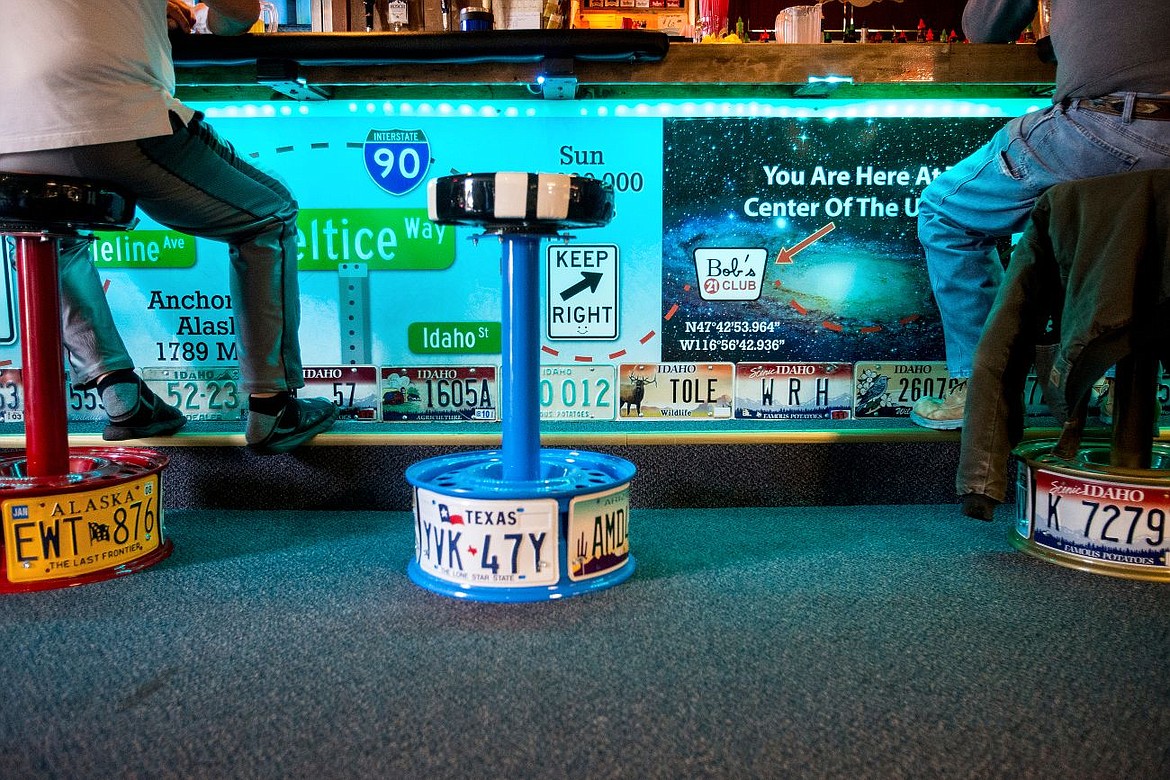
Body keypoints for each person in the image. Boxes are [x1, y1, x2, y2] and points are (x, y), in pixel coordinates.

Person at [0, 0, 337, 454]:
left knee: (49, 236)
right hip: (114, 110)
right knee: (268, 215)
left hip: (7, 137)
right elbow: (236, 14)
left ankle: (120, 396)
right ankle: (272, 406)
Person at [910, 0, 1170, 430]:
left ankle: (982, 390)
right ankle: (1113, 384)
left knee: (946, 211)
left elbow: (985, 26)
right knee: (1116, 225)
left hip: (1107, 125)